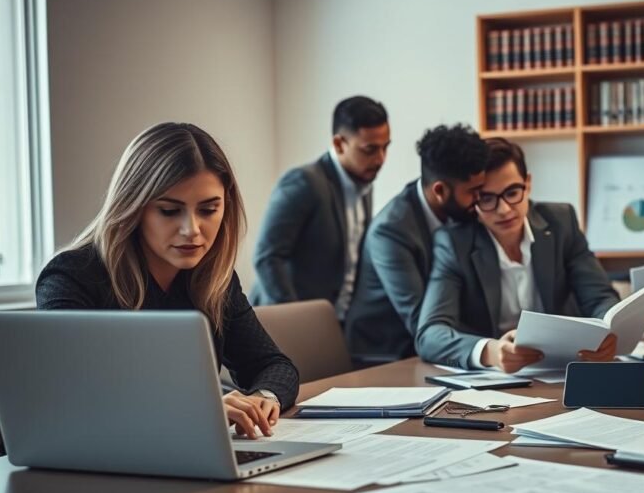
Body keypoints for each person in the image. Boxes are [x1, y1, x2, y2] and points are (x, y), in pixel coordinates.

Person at [36, 123, 299, 440]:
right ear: (133, 208)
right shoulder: (70, 277)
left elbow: (274, 366)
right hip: (85, 456)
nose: (192, 230)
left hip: (177, 451)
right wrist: (199, 411)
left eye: (208, 209)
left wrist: (264, 398)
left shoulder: (213, 276)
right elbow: (79, 396)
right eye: (170, 211)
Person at [416, 137, 620, 371]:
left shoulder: (561, 222)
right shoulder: (454, 243)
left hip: (564, 369)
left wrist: (607, 331)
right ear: (474, 200)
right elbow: (429, 335)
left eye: (512, 192)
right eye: (487, 199)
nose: (504, 209)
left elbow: (600, 296)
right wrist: (488, 351)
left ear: (528, 183)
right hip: (496, 382)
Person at [344, 125, 489, 365]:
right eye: (473, 192)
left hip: (430, 352)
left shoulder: (460, 214)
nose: (479, 200)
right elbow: (422, 320)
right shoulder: (390, 231)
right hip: (385, 357)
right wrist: (491, 344)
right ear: (439, 190)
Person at [250, 95, 390, 324]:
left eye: (385, 147)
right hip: (285, 326)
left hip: (335, 324)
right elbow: (267, 257)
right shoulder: (304, 183)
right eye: (370, 149)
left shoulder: (365, 183)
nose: (381, 159)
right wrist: (296, 319)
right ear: (338, 144)